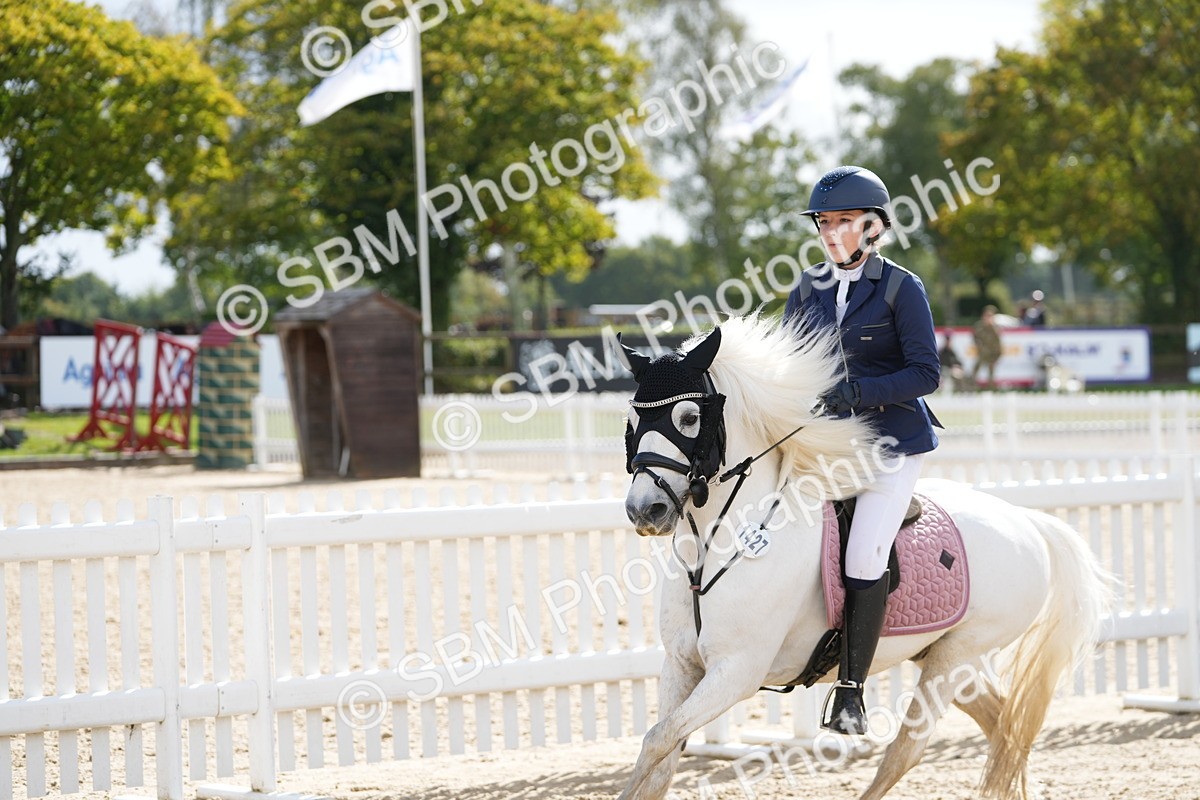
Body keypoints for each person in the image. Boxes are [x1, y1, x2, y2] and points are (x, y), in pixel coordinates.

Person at [783, 165, 942, 736]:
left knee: (861, 560)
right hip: (825, 447)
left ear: (873, 227)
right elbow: (789, 368)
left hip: (890, 447)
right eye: (824, 222)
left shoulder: (901, 287)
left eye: (844, 221)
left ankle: (850, 693)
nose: (830, 233)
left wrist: (860, 392)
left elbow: (926, 373)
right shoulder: (805, 289)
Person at [971, 305, 1002, 390]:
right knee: (977, 367)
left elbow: (998, 341)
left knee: (991, 368)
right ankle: (972, 384)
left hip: (992, 352)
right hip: (982, 352)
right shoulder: (979, 326)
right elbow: (975, 337)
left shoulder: (994, 327)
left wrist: (997, 353)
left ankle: (991, 386)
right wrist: (979, 346)